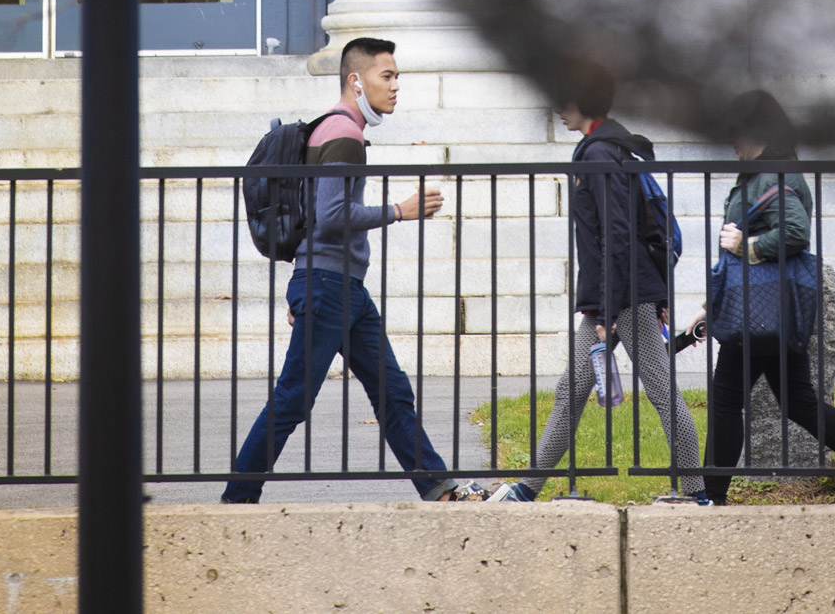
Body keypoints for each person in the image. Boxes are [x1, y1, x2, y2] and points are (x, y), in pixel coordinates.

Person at [222, 35, 485, 504]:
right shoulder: (343, 134)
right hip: (329, 286)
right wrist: (398, 211)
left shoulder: (334, 130)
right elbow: (331, 215)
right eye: (387, 75)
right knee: (292, 400)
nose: (395, 86)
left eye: (396, 76)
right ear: (355, 80)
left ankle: (438, 487)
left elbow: (314, 216)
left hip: (339, 287)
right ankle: (237, 498)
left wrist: (302, 284)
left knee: (392, 393)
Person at [487, 60, 707, 503]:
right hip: (621, 294)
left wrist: (607, 311)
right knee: (571, 393)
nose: (557, 110)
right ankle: (527, 488)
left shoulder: (600, 153)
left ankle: (697, 491)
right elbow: (645, 228)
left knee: (663, 396)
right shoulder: (616, 147)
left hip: (619, 299)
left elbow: (618, 236)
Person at [690, 89, 835, 504]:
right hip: (766, 312)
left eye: (736, 133)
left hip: (760, 314)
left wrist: (745, 246)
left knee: (726, 402)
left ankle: (712, 497)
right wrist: (708, 306)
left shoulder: (774, 176)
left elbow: (794, 233)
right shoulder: (762, 174)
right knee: (800, 404)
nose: (731, 143)